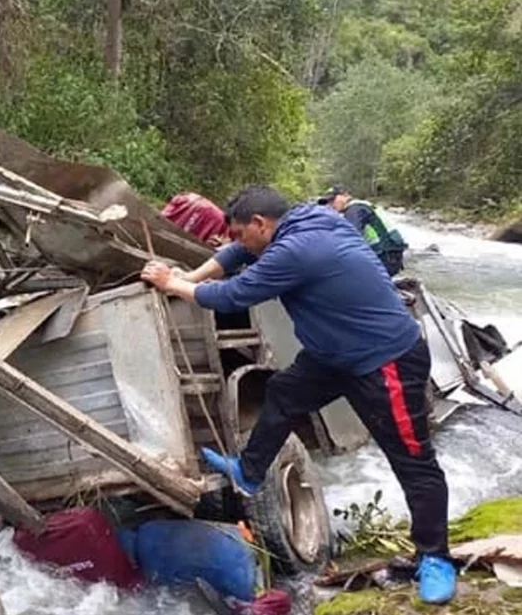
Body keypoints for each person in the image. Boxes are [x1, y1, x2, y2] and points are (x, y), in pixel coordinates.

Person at [139, 186, 455, 605]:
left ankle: (436, 558)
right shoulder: (306, 218)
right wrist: (189, 277)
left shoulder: (296, 251)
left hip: (385, 361)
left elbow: (232, 294)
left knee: (413, 461)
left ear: (259, 224)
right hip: (332, 355)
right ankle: (249, 473)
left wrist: (172, 284)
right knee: (284, 392)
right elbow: (237, 255)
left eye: (238, 233)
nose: (234, 243)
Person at [319, 184, 407, 276]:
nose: (330, 205)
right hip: (390, 254)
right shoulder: (361, 206)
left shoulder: (354, 210)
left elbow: (349, 239)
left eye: (332, 200)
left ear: (345, 196)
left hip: (385, 256)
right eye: (327, 202)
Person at [161, 192, 231, 247]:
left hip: (204, 211)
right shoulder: (185, 198)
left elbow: (165, 216)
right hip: (212, 216)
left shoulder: (182, 199)